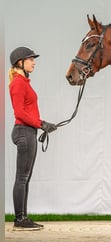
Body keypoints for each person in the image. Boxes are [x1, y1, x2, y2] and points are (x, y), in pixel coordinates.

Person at [8, 47, 57, 231]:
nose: (34, 62)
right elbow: (19, 112)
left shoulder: (24, 82)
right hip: (24, 131)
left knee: (25, 178)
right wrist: (41, 123)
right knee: (22, 177)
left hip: (28, 131)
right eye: (30, 59)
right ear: (19, 63)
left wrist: (40, 124)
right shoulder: (18, 84)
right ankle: (19, 219)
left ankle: (23, 218)